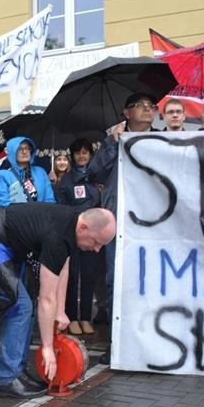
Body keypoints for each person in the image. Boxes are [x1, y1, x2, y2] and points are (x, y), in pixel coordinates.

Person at [0, 203, 116, 398]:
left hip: (3, 241)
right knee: (21, 306)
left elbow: (63, 267)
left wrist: (60, 311)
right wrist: (48, 347)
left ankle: (18, 371)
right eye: (96, 242)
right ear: (84, 227)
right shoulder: (57, 235)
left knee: (27, 305)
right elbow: (47, 298)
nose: (98, 250)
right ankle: (7, 379)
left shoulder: (74, 223)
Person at [85, 92, 162, 363]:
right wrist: (111, 144)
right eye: (140, 106)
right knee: (116, 282)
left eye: (150, 105)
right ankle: (118, 341)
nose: (147, 109)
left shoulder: (164, 140)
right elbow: (93, 173)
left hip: (156, 224)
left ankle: (154, 340)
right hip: (121, 223)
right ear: (126, 114)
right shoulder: (113, 142)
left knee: (153, 281)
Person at [57, 139, 103, 336]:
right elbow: (61, 208)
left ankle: (85, 317)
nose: (82, 156)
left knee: (89, 275)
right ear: (72, 156)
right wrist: (81, 216)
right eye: (78, 153)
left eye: (85, 152)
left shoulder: (97, 178)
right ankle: (72, 317)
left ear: (90, 155)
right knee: (72, 276)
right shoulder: (66, 181)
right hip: (73, 234)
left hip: (94, 236)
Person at [0, 136, 55, 207]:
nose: (25, 152)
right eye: (20, 149)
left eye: (27, 148)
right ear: (12, 152)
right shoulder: (2, 175)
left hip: (41, 216)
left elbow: (50, 200)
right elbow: (3, 204)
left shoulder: (40, 171)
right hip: (17, 216)